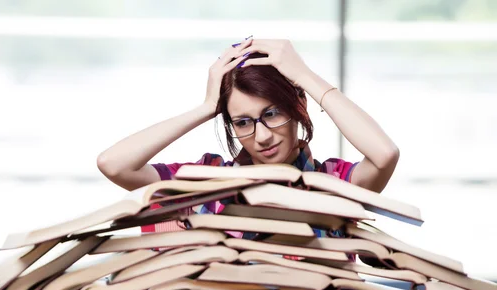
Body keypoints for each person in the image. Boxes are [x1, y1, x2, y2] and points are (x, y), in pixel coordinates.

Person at [97, 37, 400, 237]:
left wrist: (305, 77)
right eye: (243, 122)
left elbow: (384, 154)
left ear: (298, 106)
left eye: (271, 113)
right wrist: (206, 108)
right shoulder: (203, 181)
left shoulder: (337, 181)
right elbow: (114, 164)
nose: (263, 137)